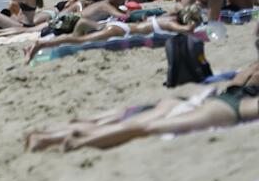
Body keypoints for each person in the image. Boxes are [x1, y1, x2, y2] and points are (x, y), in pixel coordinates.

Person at [31, 53, 259, 152]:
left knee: (134, 120)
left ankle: (53, 137)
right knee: (144, 127)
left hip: (214, 98)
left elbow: (232, 82)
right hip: (227, 105)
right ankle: (77, 143)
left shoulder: (250, 69)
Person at [24, 4, 202, 64]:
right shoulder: (171, 22)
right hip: (120, 30)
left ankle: (42, 45)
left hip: (119, 27)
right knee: (79, 40)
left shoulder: (169, 16)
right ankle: (41, 45)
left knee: (79, 39)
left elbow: (179, 7)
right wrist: (194, 23)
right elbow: (187, 30)